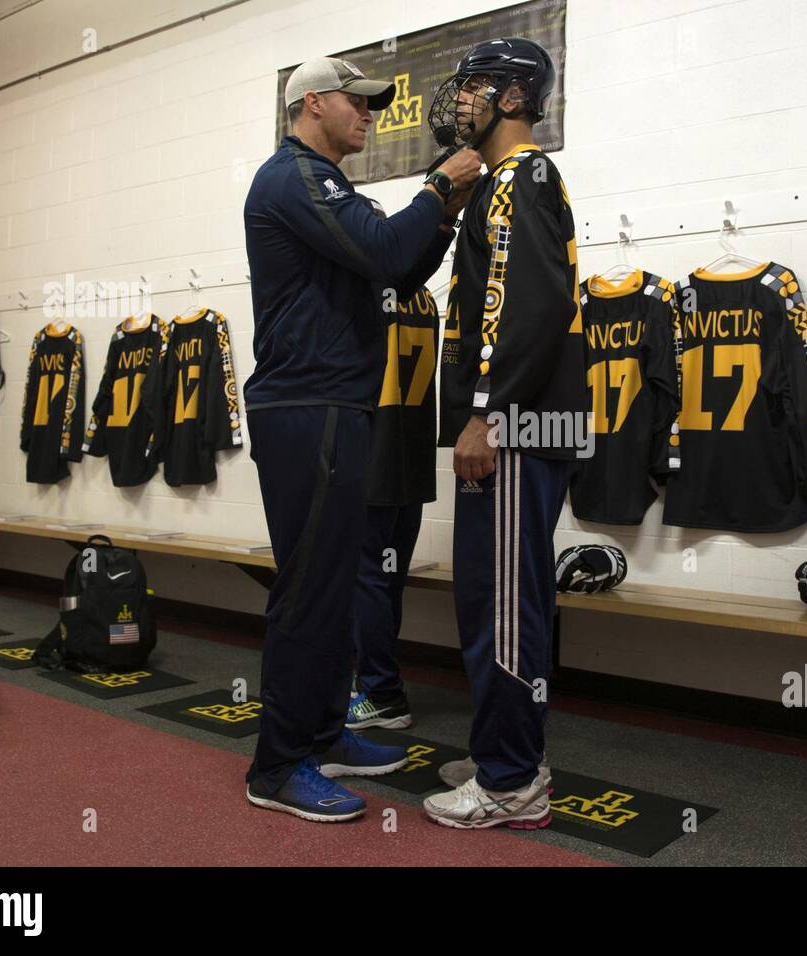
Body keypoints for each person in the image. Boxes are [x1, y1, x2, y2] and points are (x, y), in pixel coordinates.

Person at [241, 54, 481, 823]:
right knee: (309, 593)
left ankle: (322, 731)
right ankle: (277, 767)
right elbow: (383, 250)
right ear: (313, 104)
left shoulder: (329, 185)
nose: (370, 116)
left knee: (337, 585)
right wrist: (438, 187)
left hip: (338, 404)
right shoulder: (294, 178)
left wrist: (441, 214)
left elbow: (397, 274)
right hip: (305, 406)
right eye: (359, 103)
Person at [422, 38, 587, 829]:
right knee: (489, 596)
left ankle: (512, 782)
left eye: (475, 87)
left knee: (506, 606)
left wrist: (488, 411)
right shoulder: (498, 184)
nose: (461, 100)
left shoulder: (524, 177)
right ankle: (504, 749)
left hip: (516, 425)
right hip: (510, 421)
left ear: (515, 98)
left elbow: (527, 305)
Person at [346, 199, 439, 733]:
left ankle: (381, 691)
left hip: (374, 459)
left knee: (369, 581)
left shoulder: (369, 288)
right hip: (411, 462)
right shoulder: (421, 294)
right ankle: (377, 684)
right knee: (386, 581)